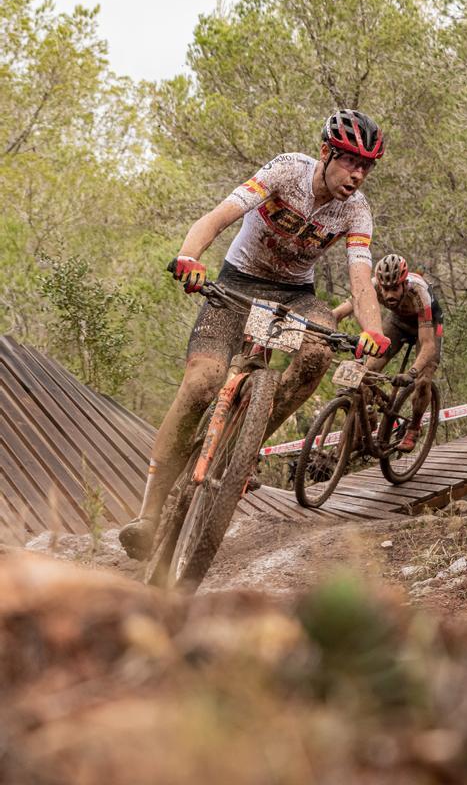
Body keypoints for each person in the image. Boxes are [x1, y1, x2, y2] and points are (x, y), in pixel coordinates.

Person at [119, 109, 392, 560]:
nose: (358, 174)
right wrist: (190, 256)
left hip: (296, 295)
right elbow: (218, 216)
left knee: (317, 354)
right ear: (326, 153)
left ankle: (246, 445)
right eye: (349, 161)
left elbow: (360, 275)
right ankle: (148, 516)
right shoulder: (287, 171)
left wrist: (373, 330)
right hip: (237, 282)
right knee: (201, 384)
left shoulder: (356, 210)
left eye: (366, 166)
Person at [331, 253, 442, 452]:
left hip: (428, 325)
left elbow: (428, 345)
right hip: (398, 322)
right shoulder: (373, 285)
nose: (389, 294)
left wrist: (412, 372)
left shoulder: (419, 292)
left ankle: (414, 428)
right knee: (366, 372)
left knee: (423, 381)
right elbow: (344, 309)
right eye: (385, 289)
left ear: (404, 284)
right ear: (379, 284)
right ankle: (368, 418)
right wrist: (330, 321)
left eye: (395, 288)